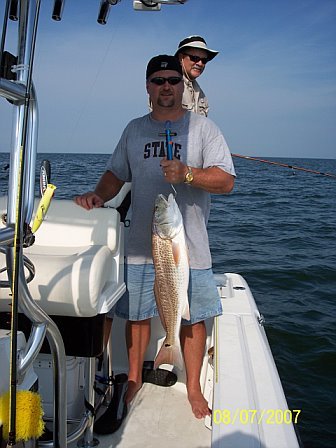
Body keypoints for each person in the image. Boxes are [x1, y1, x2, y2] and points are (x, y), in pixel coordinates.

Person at [74, 54, 235, 419]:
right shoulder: (134, 129)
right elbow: (116, 173)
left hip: (189, 247)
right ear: (147, 86)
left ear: (183, 86)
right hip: (139, 248)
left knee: (193, 319)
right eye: (158, 80)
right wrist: (99, 194)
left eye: (173, 81)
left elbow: (226, 181)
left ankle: (193, 387)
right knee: (136, 315)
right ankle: (133, 379)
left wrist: (189, 175)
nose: (166, 87)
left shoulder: (205, 130)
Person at [175, 35, 218, 116]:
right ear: (181, 57)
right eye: (195, 58)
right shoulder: (168, 86)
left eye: (204, 60)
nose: (200, 63)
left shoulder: (202, 96)